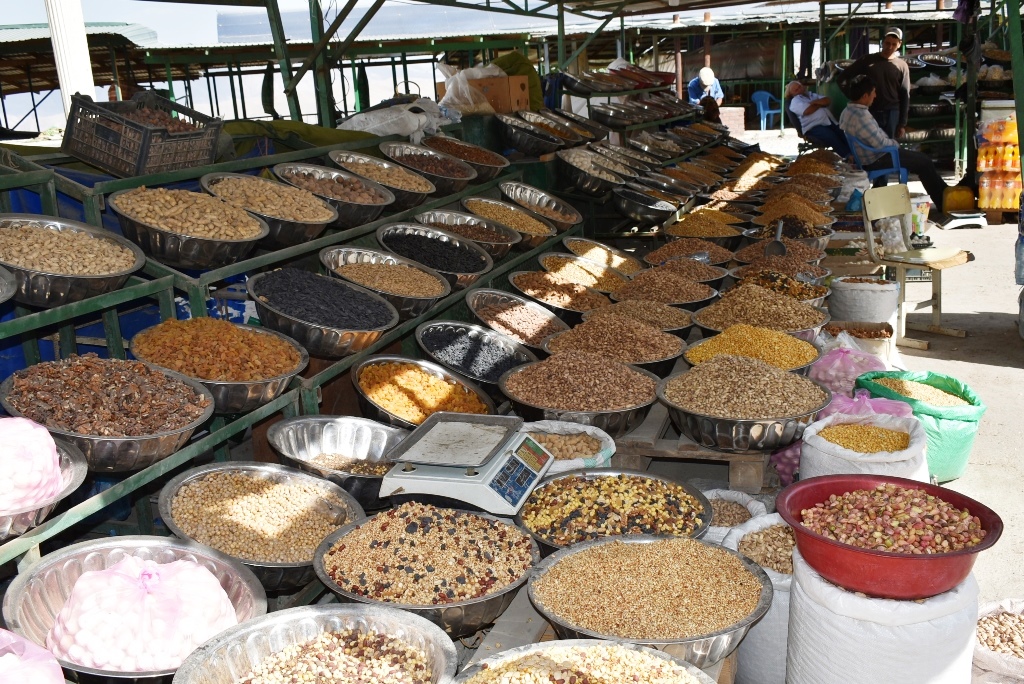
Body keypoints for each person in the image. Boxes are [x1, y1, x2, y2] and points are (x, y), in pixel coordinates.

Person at [839, 75, 949, 208]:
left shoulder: (847, 111)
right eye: (873, 92)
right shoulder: (861, 116)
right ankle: (943, 202)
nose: (875, 96)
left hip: (871, 155)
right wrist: (895, 144)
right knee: (924, 162)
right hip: (877, 158)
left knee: (923, 160)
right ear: (865, 96)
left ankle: (947, 193)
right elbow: (880, 144)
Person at [838, 27, 910, 139]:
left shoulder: (902, 66)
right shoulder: (867, 60)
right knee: (870, 142)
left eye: (894, 44)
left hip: (892, 113)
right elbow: (842, 78)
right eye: (887, 43)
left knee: (889, 145)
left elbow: (905, 94)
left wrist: (902, 124)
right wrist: (853, 96)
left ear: (899, 44)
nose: (890, 47)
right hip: (870, 111)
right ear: (882, 41)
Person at [785, 81, 851, 159]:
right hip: (813, 127)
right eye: (796, 90)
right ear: (792, 94)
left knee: (843, 133)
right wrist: (820, 104)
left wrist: (814, 103)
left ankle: (855, 155)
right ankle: (848, 157)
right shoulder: (795, 101)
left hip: (828, 122)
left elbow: (827, 100)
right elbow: (807, 111)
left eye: (799, 86)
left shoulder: (812, 95)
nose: (799, 89)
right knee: (830, 135)